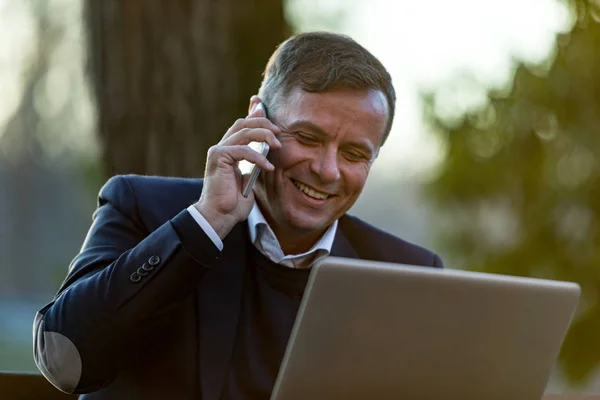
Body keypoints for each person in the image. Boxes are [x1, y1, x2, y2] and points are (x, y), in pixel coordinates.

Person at [33, 31, 444, 400]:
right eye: (307, 137)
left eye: (354, 154)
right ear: (257, 118)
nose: (327, 169)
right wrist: (207, 221)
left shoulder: (406, 273)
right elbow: (65, 361)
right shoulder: (143, 207)